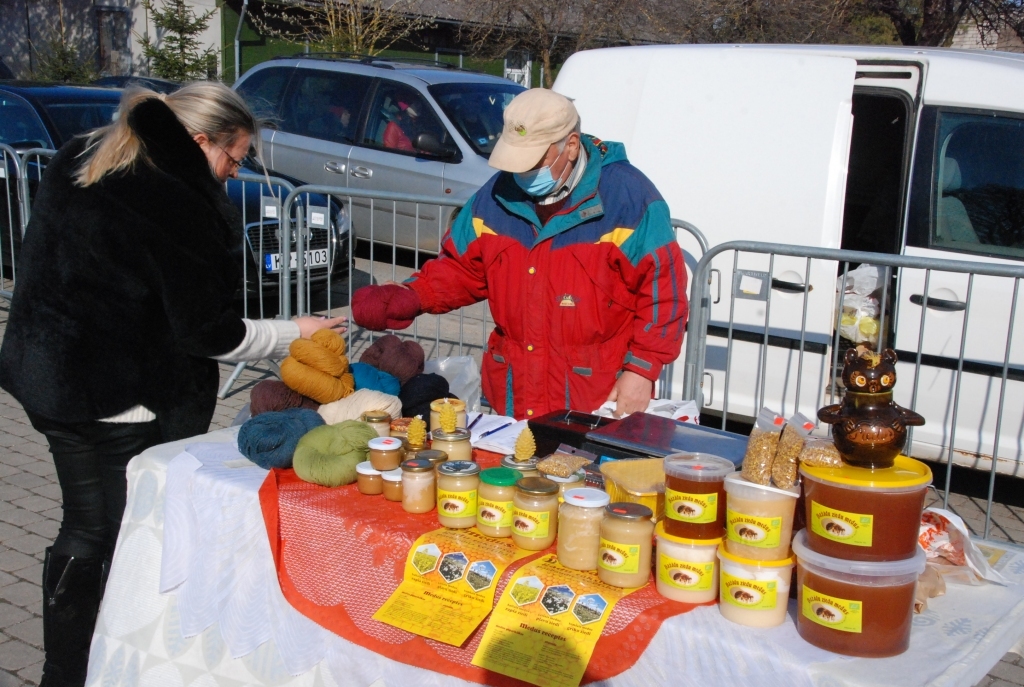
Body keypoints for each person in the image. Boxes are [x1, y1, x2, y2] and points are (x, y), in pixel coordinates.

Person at [0, 83, 344, 687]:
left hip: (47, 372)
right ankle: (91, 667)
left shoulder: (90, 150)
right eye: (233, 158)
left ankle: (66, 669)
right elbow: (207, 333)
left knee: (83, 525)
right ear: (198, 140)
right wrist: (295, 329)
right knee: (113, 535)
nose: (232, 173)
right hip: (114, 395)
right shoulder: (174, 197)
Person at [351, 89, 687, 420]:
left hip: (597, 395)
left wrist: (641, 370)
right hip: (515, 391)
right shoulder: (495, 196)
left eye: (532, 162)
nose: (521, 174)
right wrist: (413, 295)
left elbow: (663, 293)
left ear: (570, 146)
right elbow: (462, 267)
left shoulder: (629, 198)